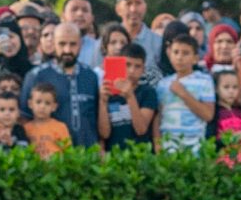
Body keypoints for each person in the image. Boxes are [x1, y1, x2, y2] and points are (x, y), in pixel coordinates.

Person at [21, 19, 100, 148]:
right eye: (62, 44)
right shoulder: (36, 76)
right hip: (52, 158)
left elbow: (98, 116)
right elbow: (24, 117)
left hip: (89, 155)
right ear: (54, 44)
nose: (67, 50)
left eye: (73, 44)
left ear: (80, 44)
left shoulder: (90, 76)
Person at [98, 42, 156, 151]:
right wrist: (102, 102)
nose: (131, 71)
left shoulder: (148, 92)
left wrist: (130, 97)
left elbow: (141, 129)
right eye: (127, 65)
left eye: (137, 66)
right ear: (119, 64)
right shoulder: (107, 92)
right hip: (114, 156)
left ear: (143, 69)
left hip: (140, 157)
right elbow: (104, 134)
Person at [114, 0, 162, 77]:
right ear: (118, 9)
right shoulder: (108, 42)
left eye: (138, 3)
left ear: (145, 7)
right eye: (128, 4)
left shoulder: (158, 43)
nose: (133, 9)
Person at [23, 82, 72, 158]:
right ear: (30, 104)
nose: (42, 106)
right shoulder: (26, 128)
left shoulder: (60, 127)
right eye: (38, 102)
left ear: (54, 107)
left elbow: (68, 152)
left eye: (47, 103)